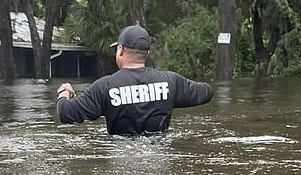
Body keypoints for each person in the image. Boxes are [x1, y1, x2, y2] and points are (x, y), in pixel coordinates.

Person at [56, 24, 213, 136]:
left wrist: (64, 91)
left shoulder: (104, 86)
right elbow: (206, 92)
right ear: (147, 53)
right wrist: (171, 97)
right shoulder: (171, 81)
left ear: (121, 50)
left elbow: (65, 113)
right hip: (160, 152)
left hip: (120, 156)